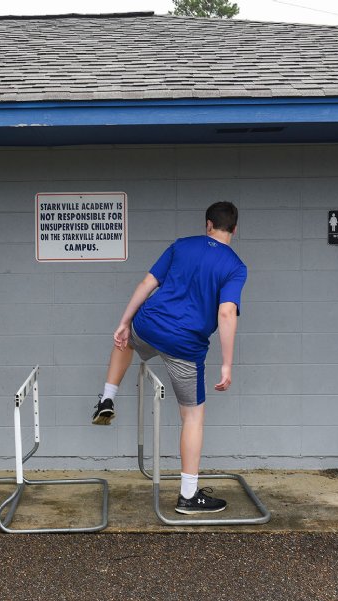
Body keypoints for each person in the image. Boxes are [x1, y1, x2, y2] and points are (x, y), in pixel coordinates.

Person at [91, 201, 246, 514]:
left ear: (207, 225)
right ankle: (188, 496)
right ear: (234, 229)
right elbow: (227, 312)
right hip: (185, 346)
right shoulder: (235, 266)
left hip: (149, 324)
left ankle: (107, 397)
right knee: (192, 417)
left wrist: (124, 321)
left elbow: (147, 283)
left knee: (126, 342)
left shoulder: (182, 246)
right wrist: (228, 363)